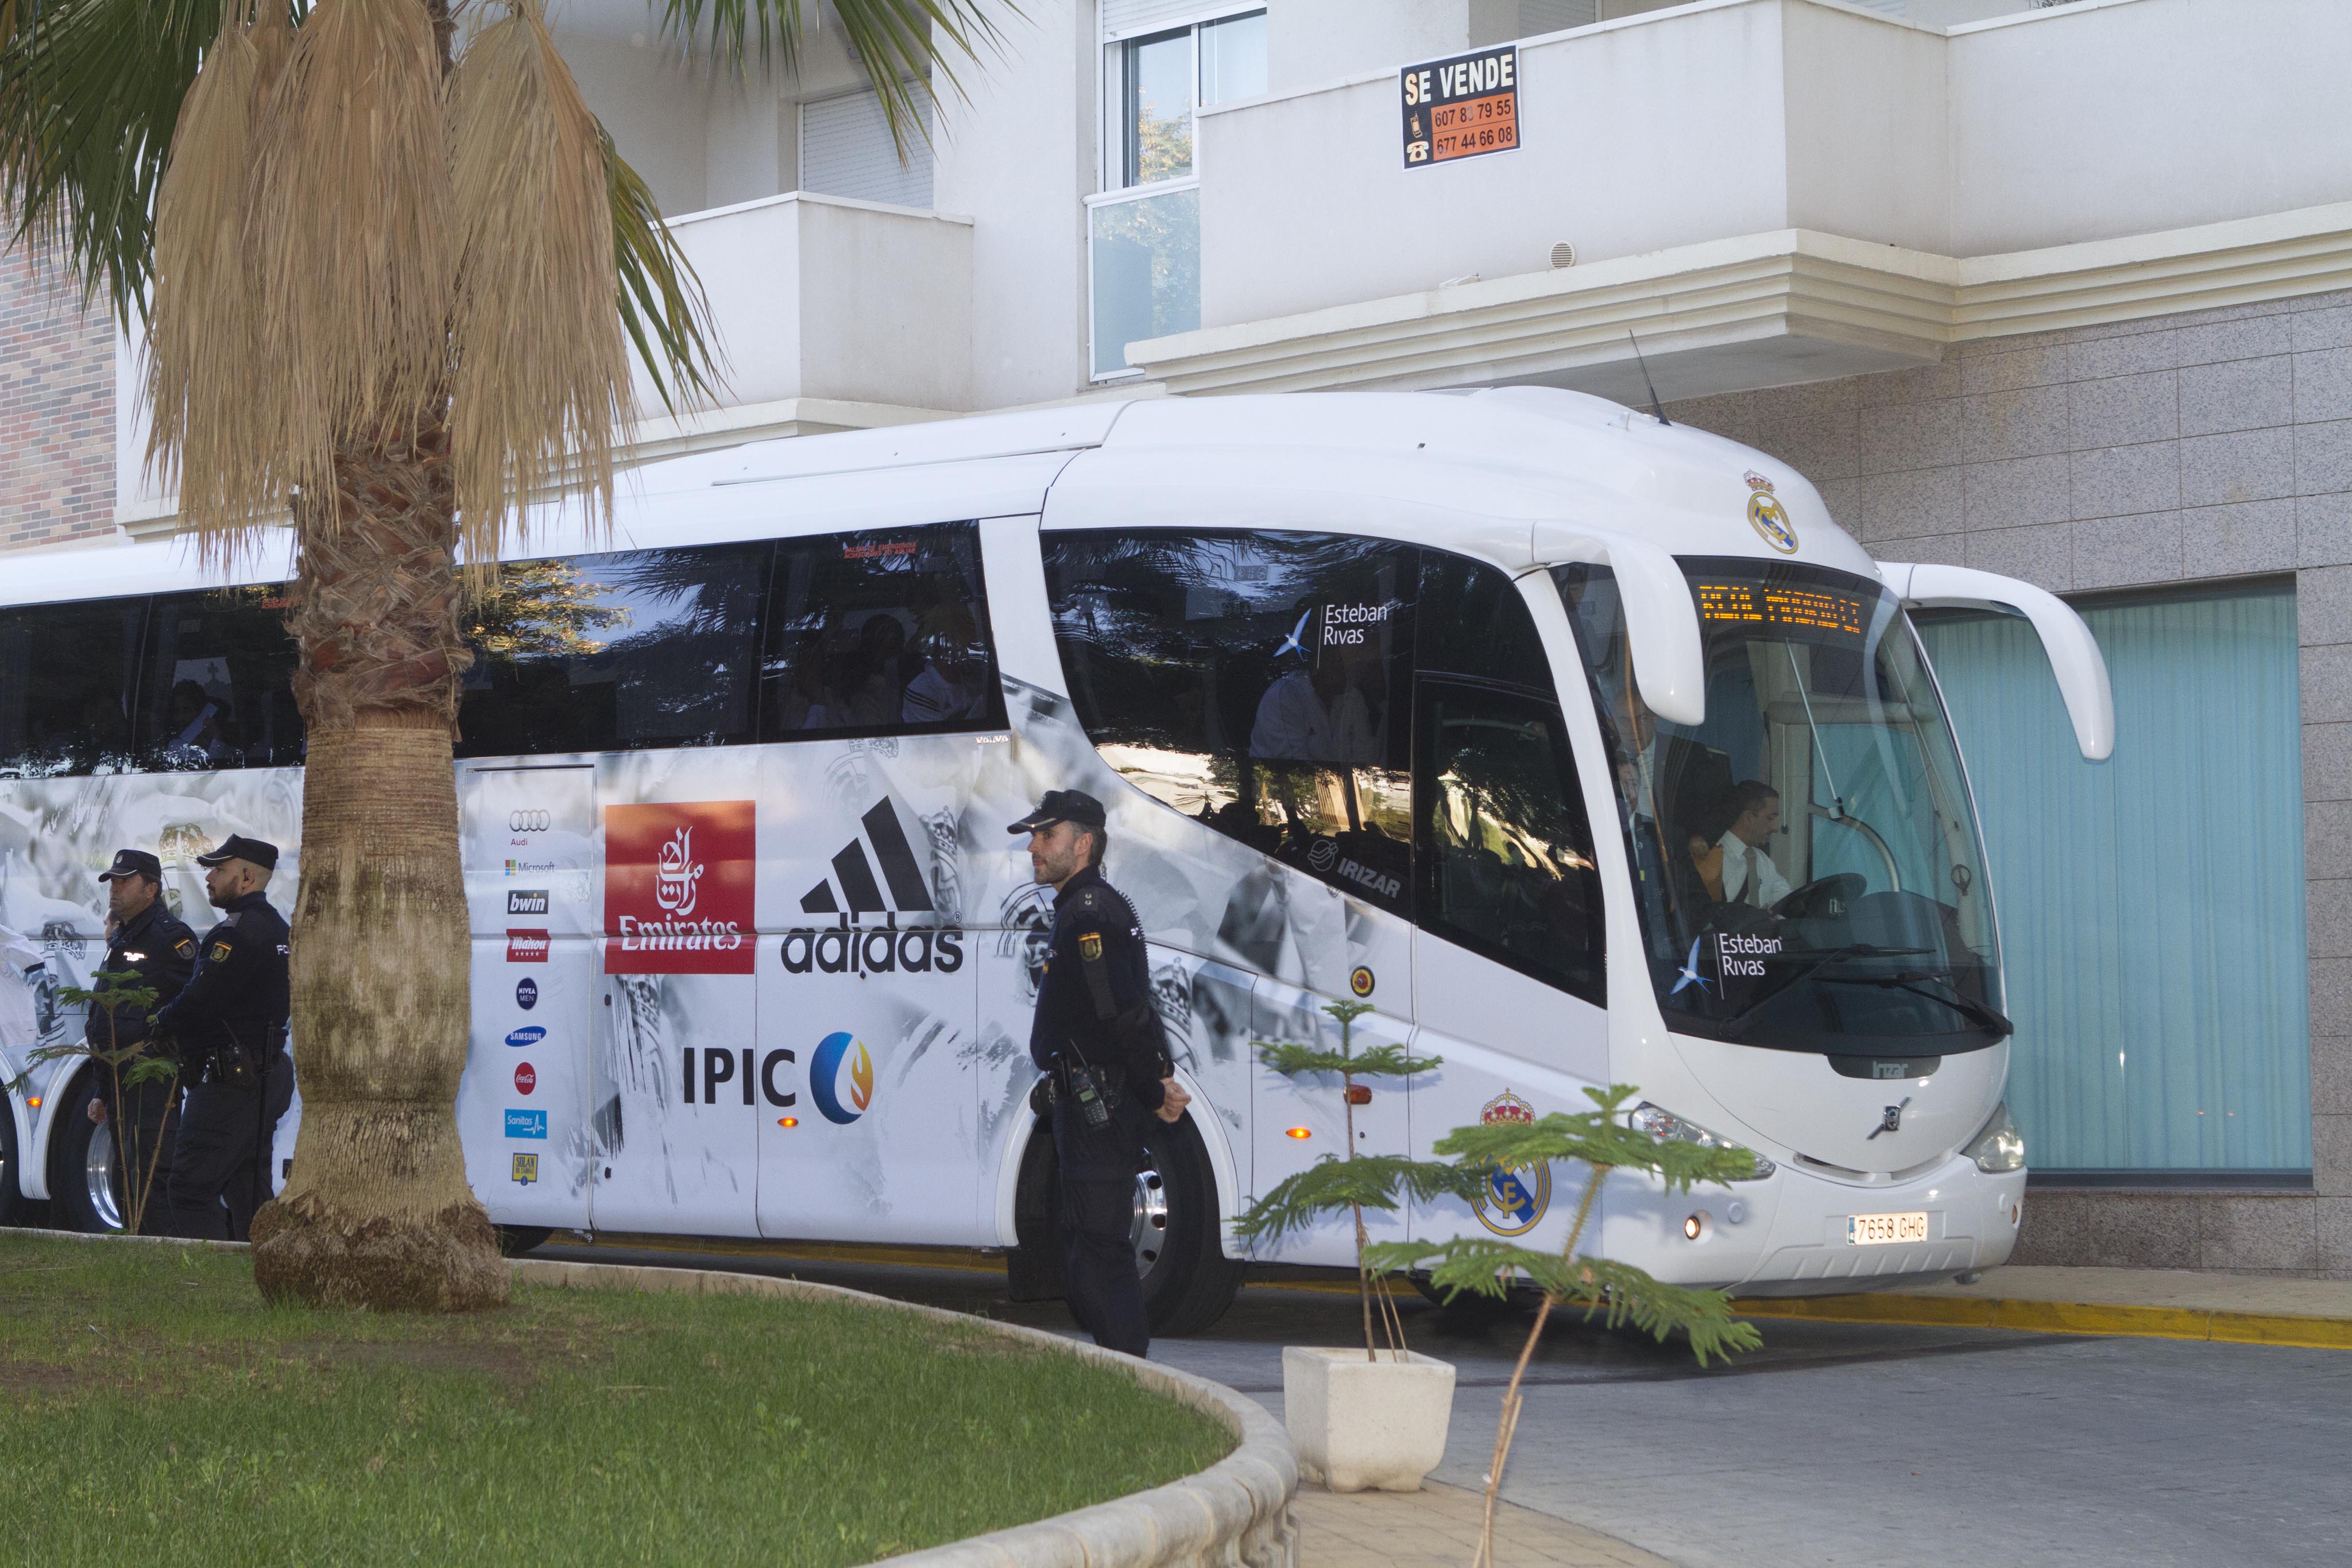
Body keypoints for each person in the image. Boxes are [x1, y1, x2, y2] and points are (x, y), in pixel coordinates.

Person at [1011, 788, 1190, 1360]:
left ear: (1083, 844)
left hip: (1100, 1111)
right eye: (1034, 836)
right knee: (1087, 1250)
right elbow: (1129, 1007)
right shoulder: (1085, 908)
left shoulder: (1088, 914)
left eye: (1047, 835)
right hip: (1095, 1106)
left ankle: (1131, 1375)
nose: (1035, 847)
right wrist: (1155, 1080)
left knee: (1099, 1256)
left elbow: (1121, 1014)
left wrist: (1152, 1087)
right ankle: (1120, 1367)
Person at [148, 834, 292, 1241]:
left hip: (230, 1080)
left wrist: (161, 1022)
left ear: (247, 877)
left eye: (219, 870)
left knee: (189, 1190)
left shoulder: (236, 933)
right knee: (248, 1187)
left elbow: (200, 1000)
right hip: (263, 1073)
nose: (208, 878)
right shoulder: (278, 928)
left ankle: (208, 1275)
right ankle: (257, 1268)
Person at [81, 849, 198, 1233]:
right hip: (119, 1080)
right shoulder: (123, 936)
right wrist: (102, 1089)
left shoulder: (171, 937)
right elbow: (107, 1019)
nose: (114, 888)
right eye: (112, 881)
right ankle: (133, 1246)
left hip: (151, 1078)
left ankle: (156, 1253)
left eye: (124, 880)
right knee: (125, 1172)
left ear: (151, 888)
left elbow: (191, 1007)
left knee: (151, 1174)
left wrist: (162, 1053)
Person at [1717, 781, 1791, 909]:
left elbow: (1788, 901)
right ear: (1749, 818)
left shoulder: (1764, 861)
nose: (1775, 828)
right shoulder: (1713, 859)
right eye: (1770, 818)